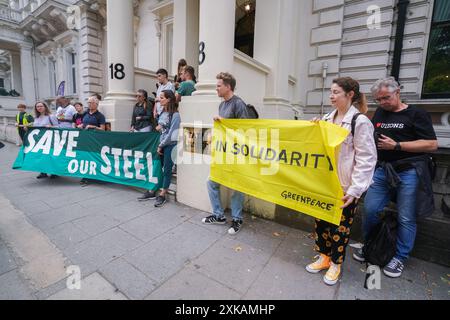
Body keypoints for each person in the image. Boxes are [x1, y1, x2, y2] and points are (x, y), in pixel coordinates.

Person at [354, 77, 438, 278]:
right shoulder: (381, 113)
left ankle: (400, 257)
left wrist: (397, 146)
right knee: (370, 209)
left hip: (409, 171)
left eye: (386, 98)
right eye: (378, 100)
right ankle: (372, 246)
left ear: (398, 92)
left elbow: (431, 144)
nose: (382, 103)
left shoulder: (416, 113)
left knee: (406, 216)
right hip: (382, 170)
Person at [305, 77, 377, 286]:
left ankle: (336, 263)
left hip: (345, 187)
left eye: (336, 92)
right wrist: (314, 128)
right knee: (321, 223)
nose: (331, 96)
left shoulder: (360, 122)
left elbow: (367, 158)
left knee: (340, 228)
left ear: (350, 95)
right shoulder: (327, 118)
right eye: (331, 92)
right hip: (325, 183)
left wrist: (355, 190)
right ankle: (324, 257)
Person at [202, 72, 251, 235]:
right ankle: (219, 215)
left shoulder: (239, 104)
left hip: (237, 153)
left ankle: (237, 219)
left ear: (228, 87)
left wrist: (224, 123)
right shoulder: (222, 105)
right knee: (212, 182)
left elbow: (245, 130)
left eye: (218, 85)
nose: (216, 88)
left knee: (237, 186)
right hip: (223, 152)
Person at [151, 90, 180, 207]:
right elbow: (161, 128)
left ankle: (163, 194)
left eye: (162, 97)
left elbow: (172, 134)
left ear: (168, 99)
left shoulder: (176, 115)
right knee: (160, 168)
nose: (159, 99)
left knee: (167, 169)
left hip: (170, 145)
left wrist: (161, 145)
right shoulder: (162, 112)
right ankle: (154, 189)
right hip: (162, 144)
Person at [78, 95, 106, 186]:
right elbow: (82, 123)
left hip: (95, 141)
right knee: (85, 157)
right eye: (88, 102)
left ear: (96, 104)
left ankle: (95, 176)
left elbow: (103, 129)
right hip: (85, 140)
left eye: (91, 103)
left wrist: (93, 126)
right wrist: (80, 125)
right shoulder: (85, 113)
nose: (89, 104)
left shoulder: (100, 116)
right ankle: (86, 176)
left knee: (93, 157)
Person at [32, 101, 59, 179]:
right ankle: (43, 172)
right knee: (41, 155)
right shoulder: (36, 117)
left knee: (50, 155)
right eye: (37, 107)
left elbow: (58, 127)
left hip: (50, 139)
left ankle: (54, 172)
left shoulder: (51, 116)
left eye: (41, 106)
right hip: (39, 140)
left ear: (45, 107)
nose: (39, 108)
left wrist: (50, 126)